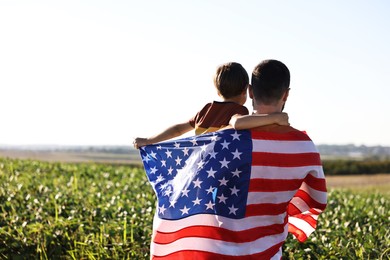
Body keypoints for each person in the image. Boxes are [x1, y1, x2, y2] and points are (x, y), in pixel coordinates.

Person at [133, 62, 288, 149]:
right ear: (245, 91)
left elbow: (177, 130)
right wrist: (275, 118)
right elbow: (239, 123)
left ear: (218, 90)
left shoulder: (206, 109)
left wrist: (148, 140)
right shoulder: (238, 111)